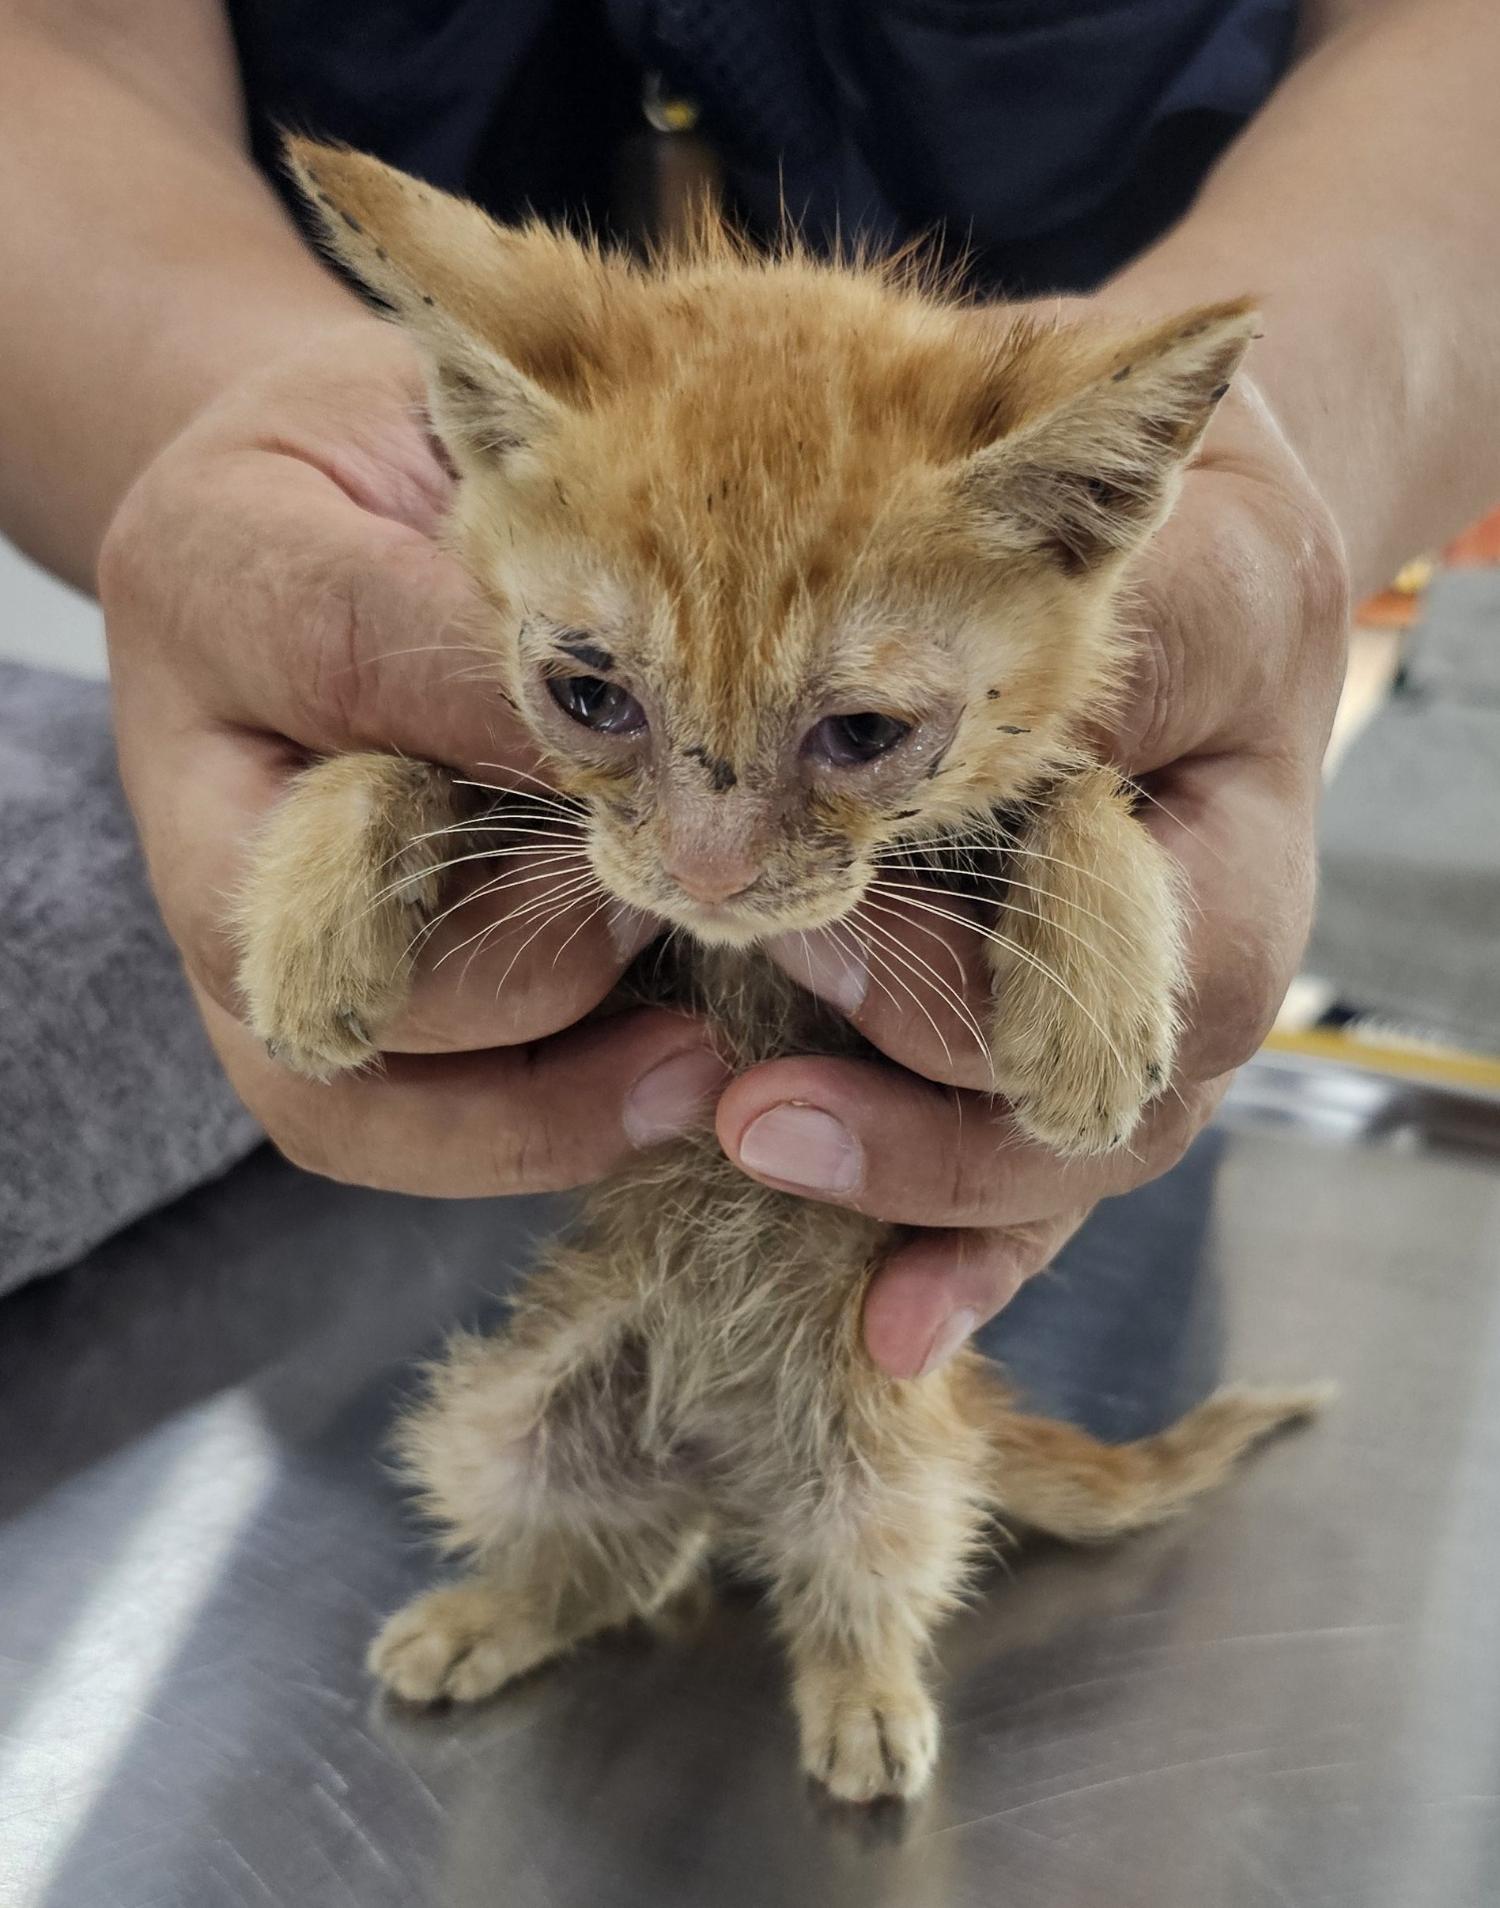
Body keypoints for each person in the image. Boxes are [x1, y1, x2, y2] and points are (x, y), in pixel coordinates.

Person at [0, 0, 1495, 1370]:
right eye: (593, 698)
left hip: (1000, 1274)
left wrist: (1292, 443)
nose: (705, 864)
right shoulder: (506, 496)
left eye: (859, 730)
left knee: (950, 1421)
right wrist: (215, 422)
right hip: (340, 1283)